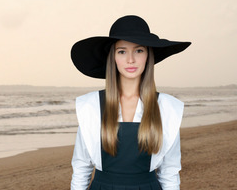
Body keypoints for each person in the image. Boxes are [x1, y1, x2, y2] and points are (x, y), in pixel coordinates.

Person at [70, 15, 191, 190]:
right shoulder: (91, 106)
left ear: (148, 55)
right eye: (122, 51)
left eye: (139, 50)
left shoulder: (167, 107)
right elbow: (81, 168)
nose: (131, 59)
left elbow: (169, 172)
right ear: (113, 57)